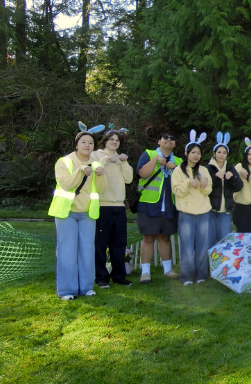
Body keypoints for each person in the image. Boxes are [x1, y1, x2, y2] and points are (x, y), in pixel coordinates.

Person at [50, 128, 107, 300]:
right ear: (76, 145)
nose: (87, 145)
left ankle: (86, 288)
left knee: (87, 251)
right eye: (83, 142)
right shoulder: (64, 162)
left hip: (87, 214)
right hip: (66, 213)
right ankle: (67, 291)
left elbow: (102, 190)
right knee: (67, 251)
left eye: (91, 143)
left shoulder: (96, 164)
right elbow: (66, 185)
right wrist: (80, 170)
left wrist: (101, 175)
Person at [135, 131, 182, 283]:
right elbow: (142, 173)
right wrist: (155, 159)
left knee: (165, 237)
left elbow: (184, 179)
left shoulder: (179, 160)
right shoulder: (148, 154)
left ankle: (167, 270)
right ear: (159, 141)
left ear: (175, 144)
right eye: (165, 138)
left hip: (169, 205)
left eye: (172, 138)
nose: (169, 140)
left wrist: (175, 168)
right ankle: (145, 272)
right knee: (148, 237)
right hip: (149, 204)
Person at [91, 128, 133, 289]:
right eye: (111, 139)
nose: (115, 142)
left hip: (119, 206)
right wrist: (106, 159)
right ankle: (101, 278)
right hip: (102, 205)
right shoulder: (96, 155)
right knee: (101, 244)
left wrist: (123, 162)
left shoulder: (121, 159)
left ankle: (119, 276)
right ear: (104, 141)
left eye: (117, 140)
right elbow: (95, 171)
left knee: (119, 243)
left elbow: (129, 179)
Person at [171, 130, 213, 284]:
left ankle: (201, 275)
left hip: (203, 212)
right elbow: (177, 191)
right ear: (186, 153)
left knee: (203, 245)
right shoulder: (178, 170)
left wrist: (204, 184)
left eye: (198, 153)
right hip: (186, 213)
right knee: (187, 246)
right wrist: (188, 182)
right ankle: (187, 276)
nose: (196, 155)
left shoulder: (204, 170)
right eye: (193, 152)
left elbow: (208, 191)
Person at [207, 132, 244, 248]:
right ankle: (210, 260)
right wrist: (215, 177)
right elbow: (204, 187)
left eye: (224, 153)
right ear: (214, 154)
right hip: (210, 211)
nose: (221, 155)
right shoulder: (208, 168)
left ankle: (223, 260)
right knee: (210, 241)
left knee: (225, 242)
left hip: (225, 212)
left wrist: (232, 178)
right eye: (219, 152)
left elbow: (239, 186)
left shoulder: (230, 168)